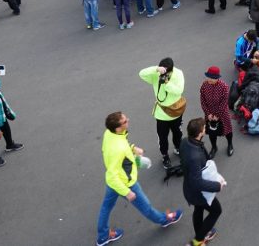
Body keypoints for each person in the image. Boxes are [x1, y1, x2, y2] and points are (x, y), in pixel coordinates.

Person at [96, 111, 183, 246]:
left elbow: (121, 145)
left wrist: (132, 148)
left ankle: (103, 236)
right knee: (146, 206)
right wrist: (127, 192)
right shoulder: (117, 149)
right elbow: (114, 175)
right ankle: (164, 220)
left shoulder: (110, 134)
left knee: (106, 207)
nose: (128, 120)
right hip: (125, 183)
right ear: (118, 127)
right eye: (125, 121)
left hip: (113, 183)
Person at [179, 118, 224, 246]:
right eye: (204, 128)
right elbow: (197, 183)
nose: (205, 129)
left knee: (198, 210)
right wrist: (217, 186)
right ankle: (198, 240)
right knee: (216, 211)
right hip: (198, 193)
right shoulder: (195, 156)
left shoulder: (185, 142)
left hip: (189, 189)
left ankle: (200, 233)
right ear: (200, 133)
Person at [139, 59, 185, 168]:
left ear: (171, 70)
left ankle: (178, 148)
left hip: (175, 111)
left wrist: (166, 83)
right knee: (162, 137)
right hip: (161, 114)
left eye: (165, 72)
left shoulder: (178, 74)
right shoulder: (156, 73)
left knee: (178, 133)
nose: (162, 74)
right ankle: (165, 155)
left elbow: (179, 91)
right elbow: (141, 74)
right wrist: (155, 69)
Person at [198, 67, 233, 159]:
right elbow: (203, 100)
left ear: (217, 78)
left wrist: (217, 115)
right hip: (209, 113)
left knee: (227, 130)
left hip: (222, 113)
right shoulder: (204, 85)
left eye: (212, 78)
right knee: (211, 132)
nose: (209, 79)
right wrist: (208, 114)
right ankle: (214, 147)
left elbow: (224, 103)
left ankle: (230, 144)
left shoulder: (224, 87)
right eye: (208, 77)